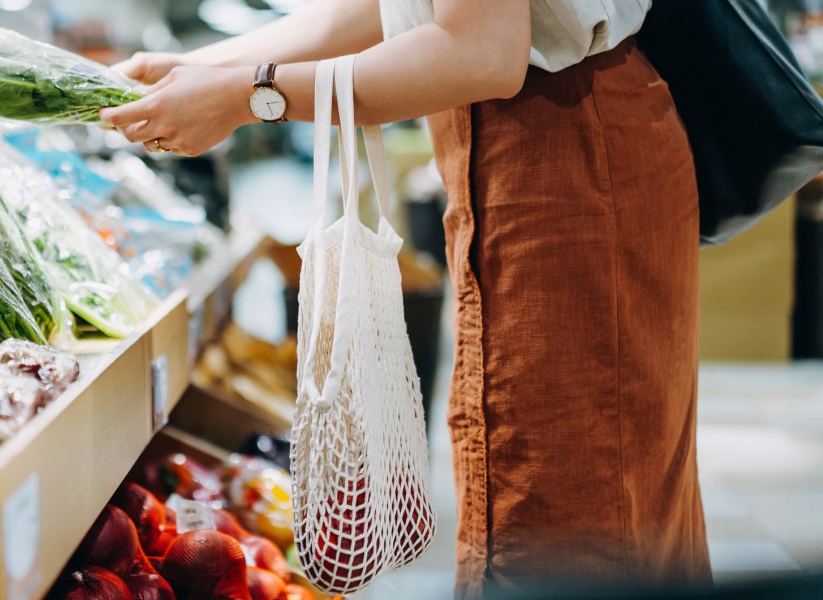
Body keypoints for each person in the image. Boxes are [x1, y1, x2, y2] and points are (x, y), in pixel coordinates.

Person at [101, 0, 712, 597]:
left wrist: (247, 95)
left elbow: (479, 51)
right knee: (586, 495)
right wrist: (197, 70)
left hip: (562, 149)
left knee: (576, 515)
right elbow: (386, 10)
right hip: (538, 138)